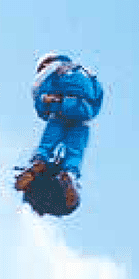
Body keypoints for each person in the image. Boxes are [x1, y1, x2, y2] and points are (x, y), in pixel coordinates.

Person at [14, 52, 104, 210]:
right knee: (76, 149)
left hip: (60, 107)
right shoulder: (86, 72)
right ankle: (70, 174)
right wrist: (89, 111)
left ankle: (39, 161)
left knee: (49, 140)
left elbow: (40, 92)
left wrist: (45, 105)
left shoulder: (52, 69)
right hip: (83, 111)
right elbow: (99, 95)